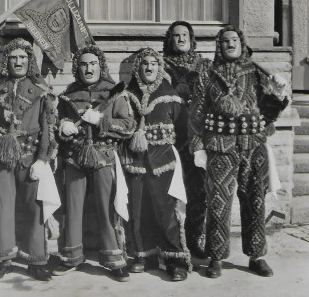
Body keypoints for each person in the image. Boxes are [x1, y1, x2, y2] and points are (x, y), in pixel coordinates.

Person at [189, 25, 288, 278]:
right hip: (220, 146)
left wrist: (277, 90)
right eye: (225, 41)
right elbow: (197, 113)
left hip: (253, 145)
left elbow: (270, 111)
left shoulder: (255, 73)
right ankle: (216, 257)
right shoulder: (207, 74)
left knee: (255, 200)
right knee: (218, 201)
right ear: (219, 46)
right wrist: (198, 145)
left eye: (234, 40)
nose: (230, 44)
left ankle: (256, 255)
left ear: (242, 44)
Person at [52, 44, 135, 282]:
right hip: (74, 157)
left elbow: (128, 127)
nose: (88, 69)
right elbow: (57, 123)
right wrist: (63, 127)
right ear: (77, 68)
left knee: (107, 207)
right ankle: (71, 257)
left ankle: (114, 259)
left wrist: (102, 120)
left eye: (93, 64)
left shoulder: (115, 93)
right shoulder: (68, 94)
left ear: (101, 67)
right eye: (83, 64)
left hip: (104, 157)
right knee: (73, 208)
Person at [0, 38, 58, 282]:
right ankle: (3, 259)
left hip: (30, 156)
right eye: (14, 58)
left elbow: (48, 129)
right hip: (2, 157)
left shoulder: (41, 91)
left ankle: (36, 261)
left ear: (30, 62)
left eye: (23, 58)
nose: (18, 62)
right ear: (7, 61)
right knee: (3, 207)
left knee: (33, 208)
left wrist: (43, 160)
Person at [119, 48, 192, 281]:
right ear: (137, 69)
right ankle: (143, 255)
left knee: (166, 213)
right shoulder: (126, 95)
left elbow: (183, 131)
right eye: (144, 64)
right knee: (138, 211)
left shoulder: (170, 95)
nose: (149, 67)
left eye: (153, 64)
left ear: (159, 68)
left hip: (163, 164)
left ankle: (175, 259)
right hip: (136, 163)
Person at [162, 21, 212, 259]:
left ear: (192, 39)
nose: (180, 39)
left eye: (184, 35)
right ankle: (171, 243)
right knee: (169, 192)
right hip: (170, 138)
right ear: (169, 40)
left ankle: (194, 240)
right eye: (175, 36)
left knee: (198, 191)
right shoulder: (160, 65)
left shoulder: (204, 65)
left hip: (197, 139)